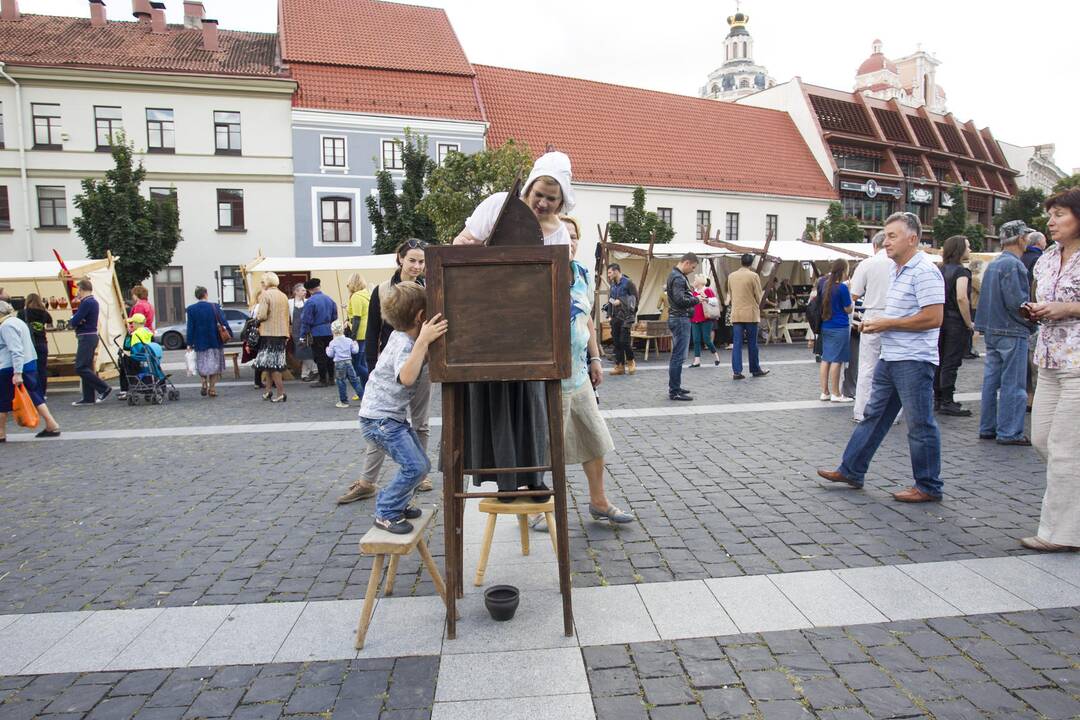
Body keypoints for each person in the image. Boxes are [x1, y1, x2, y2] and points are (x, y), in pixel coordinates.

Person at [817, 212, 945, 503]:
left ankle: (928, 485)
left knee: (920, 423)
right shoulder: (896, 269)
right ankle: (851, 469)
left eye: (892, 236)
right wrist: (883, 322)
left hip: (914, 359)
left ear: (912, 238)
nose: (885, 242)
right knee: (875, 415)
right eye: (885, 235)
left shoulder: (924, 270)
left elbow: (933, 317)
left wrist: (887, 323)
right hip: (892, 355)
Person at [339, 239, 432, 504]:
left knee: (420, 422)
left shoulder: (430, 288)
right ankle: (368, 481)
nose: (417, 266)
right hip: (390, 364)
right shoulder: (381, 290)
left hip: (420, 362)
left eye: (421, 261)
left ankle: (419, 474)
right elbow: (372, 332)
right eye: (412, 260)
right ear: (400, 259)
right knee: (385, 420)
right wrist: (370, 367)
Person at [359, 282, 448, 534]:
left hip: (389, 419)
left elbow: (420, 361)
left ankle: (398, 503)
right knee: (416, 467)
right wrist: (423, 342)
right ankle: (386, 511)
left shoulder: (402, 338)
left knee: (421, 465)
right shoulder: (404, 343)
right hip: (379, 422)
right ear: (421, 317)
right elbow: (407, 377)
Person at [1022, 188, 1080, 551]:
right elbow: (1046, 298)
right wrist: (1037, 309)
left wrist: (1069, 309)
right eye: (1050, 215)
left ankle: (1060, 534)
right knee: (1042, 439)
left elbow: (1066, 305)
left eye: (1059, 214)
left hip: (1078, 362)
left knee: (1063, 447)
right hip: (1048, 359)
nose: (1051, 221)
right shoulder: (1045, 258)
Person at [975, 220, 1036, 445]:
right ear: (1021, 238)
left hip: (993, 329)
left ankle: (988, 427)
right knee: (1013, 383)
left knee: (991, 381)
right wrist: (1033, 319)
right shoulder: (1014, 265)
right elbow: (1017, 302)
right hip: (1011, 330)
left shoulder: (994, 264)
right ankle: (1009, 431)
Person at [0, 301, 61, 440]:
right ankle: (52, 424)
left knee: (2, 401)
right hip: (29, 362)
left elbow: (15, 350)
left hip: (12, 367)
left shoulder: (6, 326)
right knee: (35, 395)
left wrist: (17, 373)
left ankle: (1, 432)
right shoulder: (17, 321)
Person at [849, 232, 892, 423]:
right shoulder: (897, 263)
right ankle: (893, 412)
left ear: (875, 246)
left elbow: (854, 295)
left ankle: (861, 410)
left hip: (872, 314)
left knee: (867, 365)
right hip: (895, 315)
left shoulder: (867, 264)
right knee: (893, 364)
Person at [935, 235, 975, 417]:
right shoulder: (961, 272)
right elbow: (961, 297)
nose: (970, 250)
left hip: (939, 319)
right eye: (967, 247)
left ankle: (937, 398)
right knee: (951, 361)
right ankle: (947, 400)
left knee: (939, 360)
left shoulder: (940, 269)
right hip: (955, 322)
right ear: (959, 250)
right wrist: (969, 323)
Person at [814, 259, 853, 402]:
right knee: (837, 360)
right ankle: (836, 393)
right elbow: (848, 309)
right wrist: (849, 291)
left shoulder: (825, 285)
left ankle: (824, 392)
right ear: (843, 270)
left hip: (826, 325)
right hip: (840, 326)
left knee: (826, 359)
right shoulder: (842, 288)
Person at [69, 278, 112, 406]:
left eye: (78, 290)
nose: (77, 292)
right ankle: (88, 398)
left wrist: (74, 320)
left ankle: (104, 388)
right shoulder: (92, 302)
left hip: (86, 337)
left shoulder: (87, 302)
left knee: (80, 367)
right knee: (86, 367)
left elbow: (74, 321)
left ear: (81, 289)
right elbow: (79, 319)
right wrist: (77, 320)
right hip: (90, 336)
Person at [665, 253, 701, 400]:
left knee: (678, 356)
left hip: (677, 317)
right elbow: (680, 299)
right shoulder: (678, 277)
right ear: (686, 262)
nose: (692, 270)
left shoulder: (675, 275)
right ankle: (674, 391)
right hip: (680, 318)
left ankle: (676, 387)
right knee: (678, 357)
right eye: (692, 267)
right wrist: (696, 299)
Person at [728, 253, 769, 380]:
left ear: (741, 261)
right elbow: (758, 295)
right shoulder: (753, 276)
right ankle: (755, 369)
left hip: (736, 312)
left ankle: (737, 371)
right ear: (751, 263)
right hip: (750, 313)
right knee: (752, 343)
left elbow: (730, 293)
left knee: (737, 343)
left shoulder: (731, 276)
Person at [185, 286, 232, 398]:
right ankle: (212, 388)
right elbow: (223, 321)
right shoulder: (214, 307)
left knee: (201, 364)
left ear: (197, 296)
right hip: (214, 340)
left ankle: (203, 382)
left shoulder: (191, 309)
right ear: (206, 294)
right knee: (215, 365)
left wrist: (189, 343)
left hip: (200, 342)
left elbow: (190, 327)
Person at [254, 272, 290, 403]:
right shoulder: (283, 296)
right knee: (270, 364)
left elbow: (262, 315)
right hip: (281, 333)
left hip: (268, 333)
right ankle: (268, 391)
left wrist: (256, 318)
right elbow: (287, 316)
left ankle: (281, 392)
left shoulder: (265, 295)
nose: (261, 285)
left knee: (273, 365)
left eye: (262, 282)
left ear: (266, 283)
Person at [299, 278, 337, 387]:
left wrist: (302, 336)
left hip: (316, 333)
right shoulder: (329, 299)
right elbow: (334, 317)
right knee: (329, 355)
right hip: (329, 331)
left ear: (310, 290)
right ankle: (331, 378)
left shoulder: (310, 302)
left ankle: (323, 380)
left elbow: (306, 321)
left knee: (319, 356)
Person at [605, 263, 638, 376]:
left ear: (616, 271)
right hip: (615, 318)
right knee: (617, 342)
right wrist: (609, 315)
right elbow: (610, 300)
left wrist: (622, 301)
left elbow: (635, 299)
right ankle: (619, 366)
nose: (608, 275)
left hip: (626, 317)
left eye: (609, 272)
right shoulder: (613, 286)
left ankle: (631, 361)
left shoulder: (628, 283)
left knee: (624, 341)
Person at [17, 293, 52, 398]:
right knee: (42, 369)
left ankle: (32, 392)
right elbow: (50, 321)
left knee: (29, 369)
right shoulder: (44, 313)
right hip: (42, 343)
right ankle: (42, 393)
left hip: (28, 345)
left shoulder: (22, 313)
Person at [327, 320, 365, 408]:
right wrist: (356, 344)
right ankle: (364, 398)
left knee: (341, 382)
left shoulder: (332, 343)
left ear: (332, 331)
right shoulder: (349, 340)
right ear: (343, 330)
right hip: (349, 362)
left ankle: (344, 401)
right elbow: (355, 351)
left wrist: (327, 349)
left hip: (339, 364)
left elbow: (330, 354)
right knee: (355, 381)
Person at [346, 273, 371, 397]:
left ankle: (371, 386)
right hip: (367, 332)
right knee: (362, 363)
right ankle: (365, 390)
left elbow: (356, 318)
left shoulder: (356, 296)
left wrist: (353, 337)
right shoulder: (367, 294)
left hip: (359, 334)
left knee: (357, 365)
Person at [689, 274, 721, 368]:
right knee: (696, 340)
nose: (693, 282)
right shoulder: (693, 292)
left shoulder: (707, 290)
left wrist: (706, 299)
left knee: (707, 339)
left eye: (695, 280)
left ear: (699, 282)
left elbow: (715, 301)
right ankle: (697, 360)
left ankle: (716, 356)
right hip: (694, 319)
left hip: (706, 318)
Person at [289, 283, 316, 381]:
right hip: (296, 331)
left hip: (306, 330)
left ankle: (305, 374)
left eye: (305, 290)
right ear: (296, 291)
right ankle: (314, 369)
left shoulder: (308, 301)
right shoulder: (290, 303)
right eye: (303, 290)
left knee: (307, 351)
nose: (305, 292)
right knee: (301, 351)